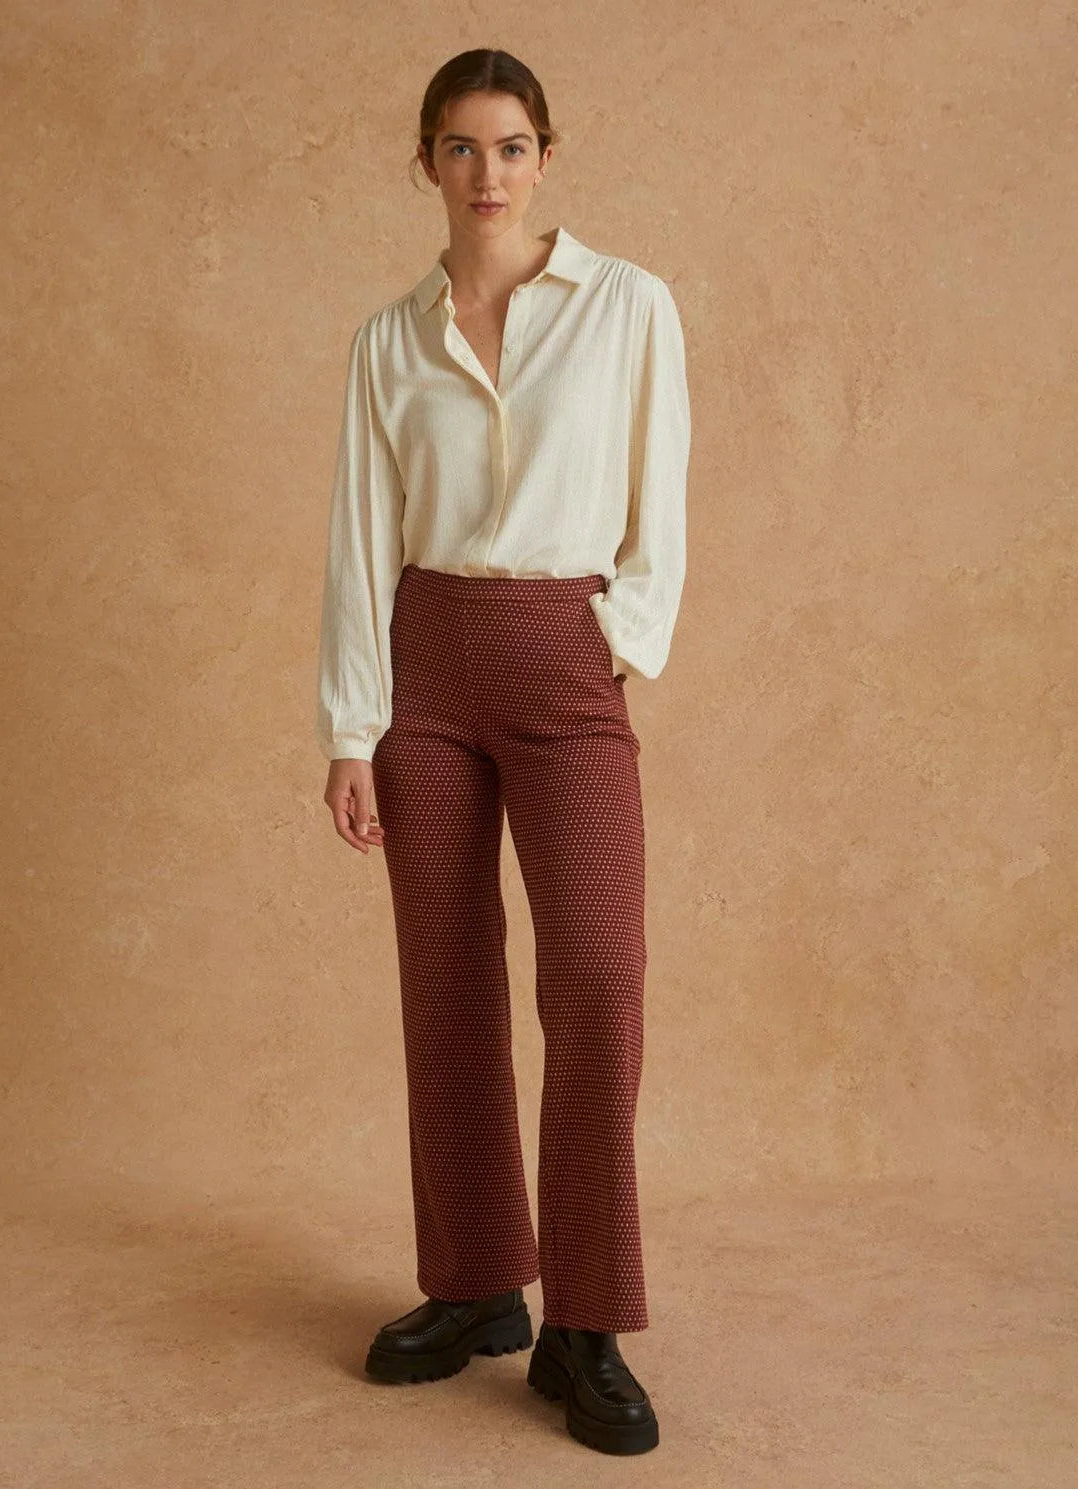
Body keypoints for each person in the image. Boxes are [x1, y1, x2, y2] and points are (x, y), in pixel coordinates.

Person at [315, 49, 690, 1457]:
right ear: (427, 160)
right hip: (425, 665)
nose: (490, 174)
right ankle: (477, 1282)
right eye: (463, 148)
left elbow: (664, 491)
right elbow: (360, 539)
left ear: (546, 157)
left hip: (561, 651)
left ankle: (587, 1322)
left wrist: (617, 638)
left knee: (594, 974)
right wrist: (351, 728)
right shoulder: (387, 341)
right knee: (447, 980)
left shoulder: (627, 305)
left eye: (513, 146)